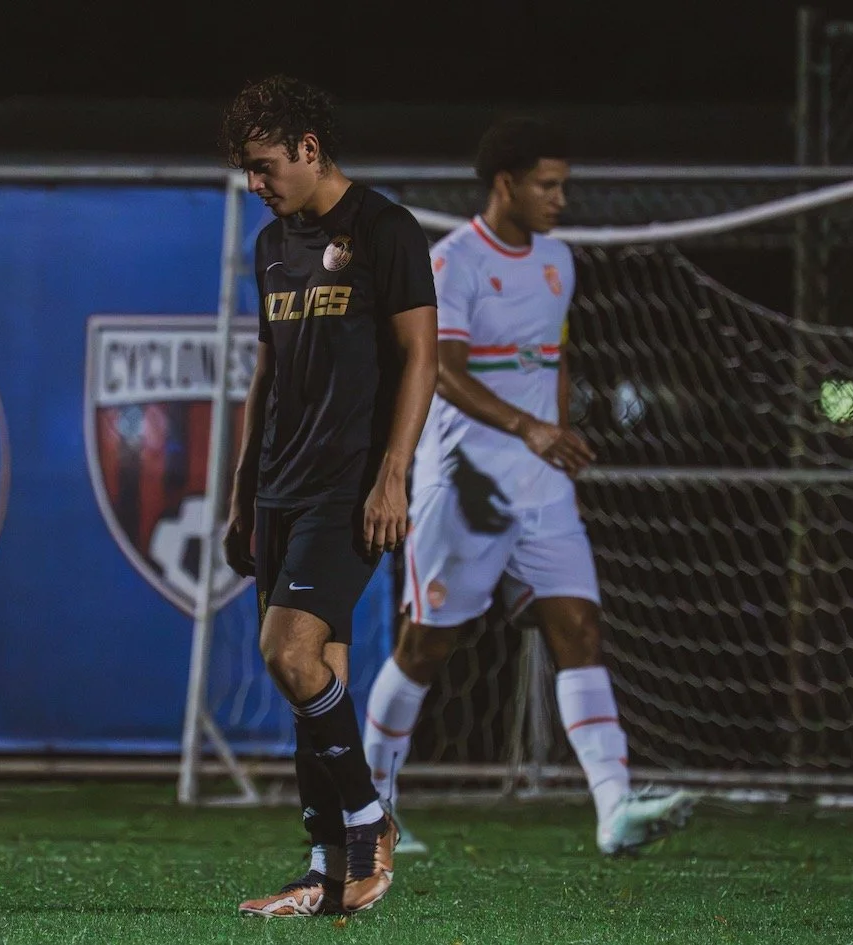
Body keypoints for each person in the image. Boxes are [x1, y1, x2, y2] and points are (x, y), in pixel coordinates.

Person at [362, 117, 694, 856]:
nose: (560, 198)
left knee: (578, 628)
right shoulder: (452, 263)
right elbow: (441, 370)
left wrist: (556, 425)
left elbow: (554, 355)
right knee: (427, 644)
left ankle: (614, 810)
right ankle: (370, 809)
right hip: (464, 482)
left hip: (541, 485)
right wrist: (526, 426)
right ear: (505, 184)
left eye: (563, 184)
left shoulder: (559, 261)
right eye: (548, 184)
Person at [220, 75, 438, 916]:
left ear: (309, 150)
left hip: (346, 489)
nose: (256, 184)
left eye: (265, 165)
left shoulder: (387, 229)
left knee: (290, 653)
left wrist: (393, 472)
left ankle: (368, 815)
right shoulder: (272, 244)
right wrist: (244, 490)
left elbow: (422, 356)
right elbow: (266, 370)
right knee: (315, 680)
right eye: (247, 170)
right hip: (280, 485)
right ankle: (326, 873)